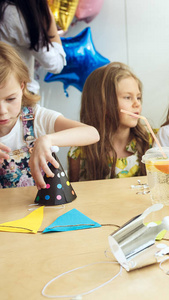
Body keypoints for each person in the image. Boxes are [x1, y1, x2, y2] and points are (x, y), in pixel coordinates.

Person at [0, 42, 98, 189]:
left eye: (10, 99)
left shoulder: (36, 118)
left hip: (40, 207)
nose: (2, 111)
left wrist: (47, 140)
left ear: (22, 87)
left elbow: (92, 133)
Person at [68, 62, 151, 182]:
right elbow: (73, 194)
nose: (137, 104)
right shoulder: (80, 150)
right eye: (128, 97)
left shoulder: (148, 140)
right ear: (102, 103)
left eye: (138, 97)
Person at [0, 0, 66, 94]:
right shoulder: (17, 15)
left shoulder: (7, 10)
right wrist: (50, 21)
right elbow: (56, 64)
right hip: (17, 95)